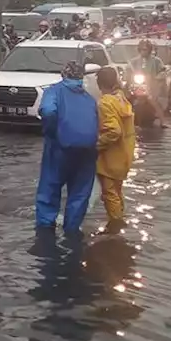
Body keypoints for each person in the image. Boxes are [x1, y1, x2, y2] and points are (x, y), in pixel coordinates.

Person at [35, 61, 99, 233]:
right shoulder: (90, 98)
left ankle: (46, 231)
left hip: (59, 149)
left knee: (50, 189)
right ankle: (72, 230)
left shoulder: (54, 91)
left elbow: (48, 112)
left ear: (63, 75)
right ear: (81, 77)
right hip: (87, 152)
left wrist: (50, 132)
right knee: (79, 194)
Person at [95, 67, 136, 228]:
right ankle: (120, 221)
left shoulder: (105, 102)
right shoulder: (121, 99)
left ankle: (115, 226)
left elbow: (114, 131)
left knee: (110, 195)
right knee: (117, 193)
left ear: (99, 83)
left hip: (110, 158)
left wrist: (96, 145)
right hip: (124, 154)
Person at [128, 38, 168, 128]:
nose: (143, 52)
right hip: (138, 85)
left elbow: (163, 70)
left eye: (145, 49)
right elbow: (129, 69)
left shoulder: (156, 61)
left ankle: (163, 121)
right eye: (141, 49)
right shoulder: (134, 61)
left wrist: (158, 76)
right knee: (128, 99)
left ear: (149, 50)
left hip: (152, 85)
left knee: (153, 101)